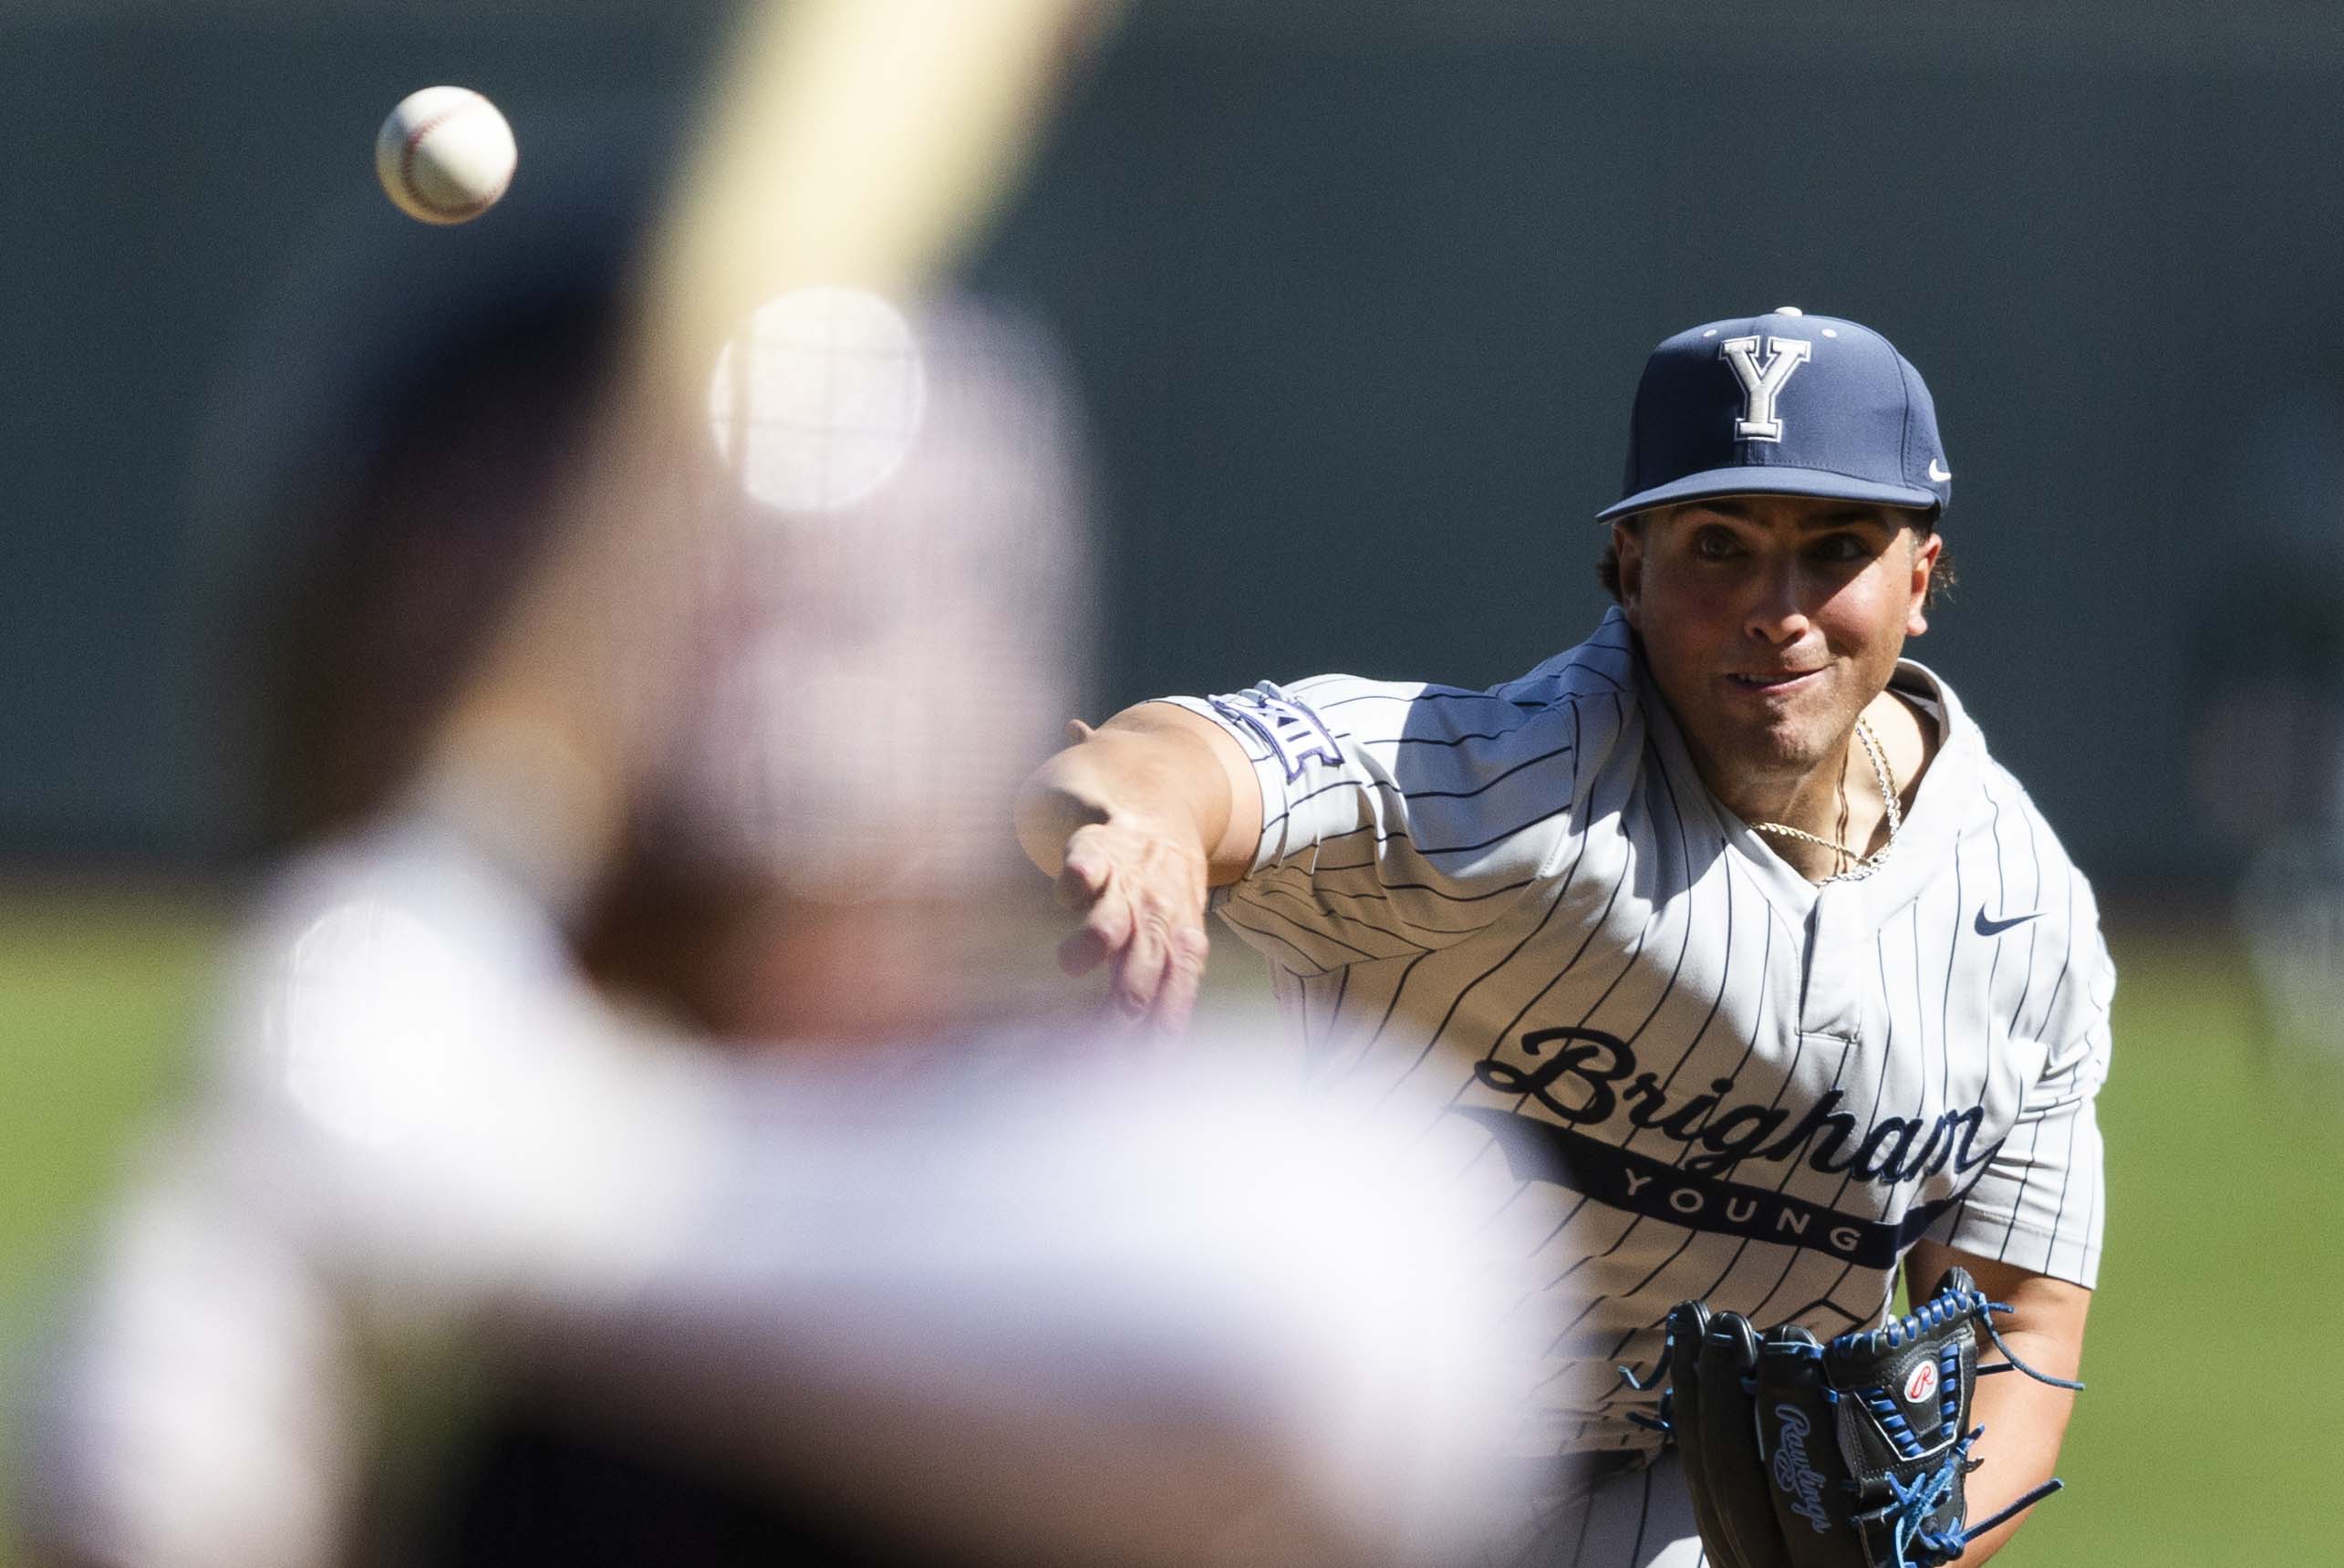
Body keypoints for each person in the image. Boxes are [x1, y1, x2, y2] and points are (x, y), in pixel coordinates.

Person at [1015, 307, 2111, 1566]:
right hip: (1374, 1471)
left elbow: (2020, 1314)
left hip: (1698, 1510)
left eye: (1835, 547)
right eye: (1718, 545)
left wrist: (1923, 1552)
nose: (1776, 607)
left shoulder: (2024, 913)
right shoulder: (1506, 790)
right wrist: (1144, 824)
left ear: (1916, 578)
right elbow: (1164, 761)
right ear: (1628, 568)